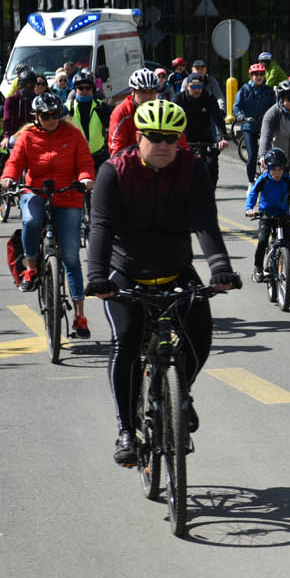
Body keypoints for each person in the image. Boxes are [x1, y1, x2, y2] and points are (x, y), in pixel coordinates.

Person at [84, 99, 240, 466]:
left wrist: (220, 268)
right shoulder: (114, 171)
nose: (164, 145)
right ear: (139, 136)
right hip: (126, 274)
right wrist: (95, 277)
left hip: (175, 271)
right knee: (127, 343)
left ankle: (180, 394)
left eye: (172, 138)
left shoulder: (192, 169)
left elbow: (205, 221)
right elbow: (101, 227)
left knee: (200, 333)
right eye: (155, 137)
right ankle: (126, 428)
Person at [1, 92, 97, 335]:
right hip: (36, 191)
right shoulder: (27, 137)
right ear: (36, 117)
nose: (52, 119)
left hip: (68, 193)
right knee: (31, 220)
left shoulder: (73, 135)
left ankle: (80, 317)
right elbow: (14, 162)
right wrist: (8, 178)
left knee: (72, 257)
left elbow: (85, 163)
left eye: (55, 115)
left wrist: (85, 179)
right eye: (46, 116)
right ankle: (31, 266)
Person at [245, 147, 290, 282]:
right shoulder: (263, 179)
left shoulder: (287, 180)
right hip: (266, 214)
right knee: (262, 240)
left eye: (280, 169)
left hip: (282, 213)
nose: (277, 172)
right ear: (268, 168)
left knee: (288, 238)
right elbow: (253, 193)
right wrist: (249, 208)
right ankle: (258, 268)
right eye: (274, 169)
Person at [107, 67, 176, 157]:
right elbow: (117, 151)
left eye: (151, 92)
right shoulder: (122, 113)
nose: (147, 97)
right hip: (131, 163)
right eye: (143, 92)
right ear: (132, 91)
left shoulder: (161, 109)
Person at [177, 73, 228, 187]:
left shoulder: (208, 97)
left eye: (199, 87)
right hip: (185, 138)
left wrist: (223, 138)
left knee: (212, 166)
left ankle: (210, 194)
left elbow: (218, 118)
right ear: (187, 87)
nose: (197, 90)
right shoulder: (179, 98)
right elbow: (170, 119)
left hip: (206, 138)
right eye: (193, 87)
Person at [232, 62, 276, 183]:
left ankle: (271, 180)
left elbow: (275, 106)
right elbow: (236, 107)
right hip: (249, 126)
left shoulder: (269, 90)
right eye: (255, 74)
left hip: (265, 127)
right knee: (252, 156)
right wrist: (241, 116)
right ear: (251, 76)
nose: (258, 76)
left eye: (261, 74)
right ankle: (251, 183)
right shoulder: (244, 90)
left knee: (270, 155)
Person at [65, 69, 110, 167]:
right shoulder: (67, 108)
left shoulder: (101, 107)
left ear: (93, 90)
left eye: (88, 88)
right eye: (80, 88)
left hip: (99, 158)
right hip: (75, 159)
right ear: (75, 90)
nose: (84, 91)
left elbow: (112, 130)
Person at [2, 69, 46, 139]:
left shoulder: (38, 99)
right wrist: (6, 136)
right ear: (20, 85)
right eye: (27, 85)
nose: (29, 87)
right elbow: (7, 119)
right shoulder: (11, 100)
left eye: (32, 84)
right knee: (11, 142)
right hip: (16, 133)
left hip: (34, 132)